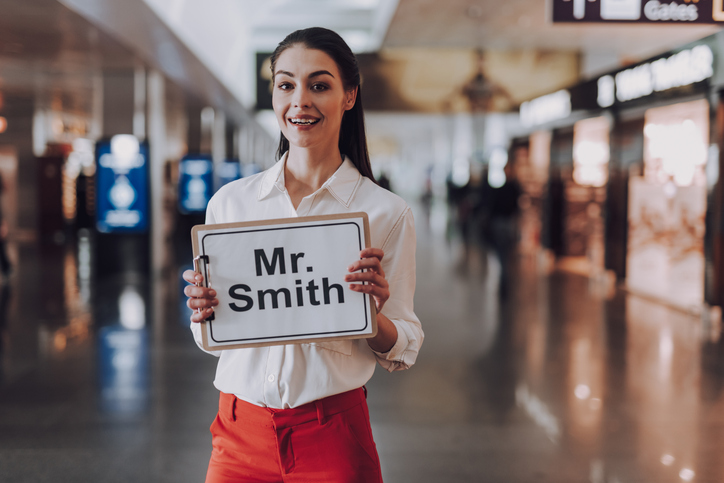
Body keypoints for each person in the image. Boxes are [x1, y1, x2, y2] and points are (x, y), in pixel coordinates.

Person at [183, 27, 423, 483]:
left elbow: (403, 347)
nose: (300, 101)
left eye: (319, 85)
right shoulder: (230, 204)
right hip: (237, 434)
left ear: (349, 95)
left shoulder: (385, 212)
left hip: (332, 435)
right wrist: (204, 313)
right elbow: (211, 340)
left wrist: (371, 316)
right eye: (286, 84)